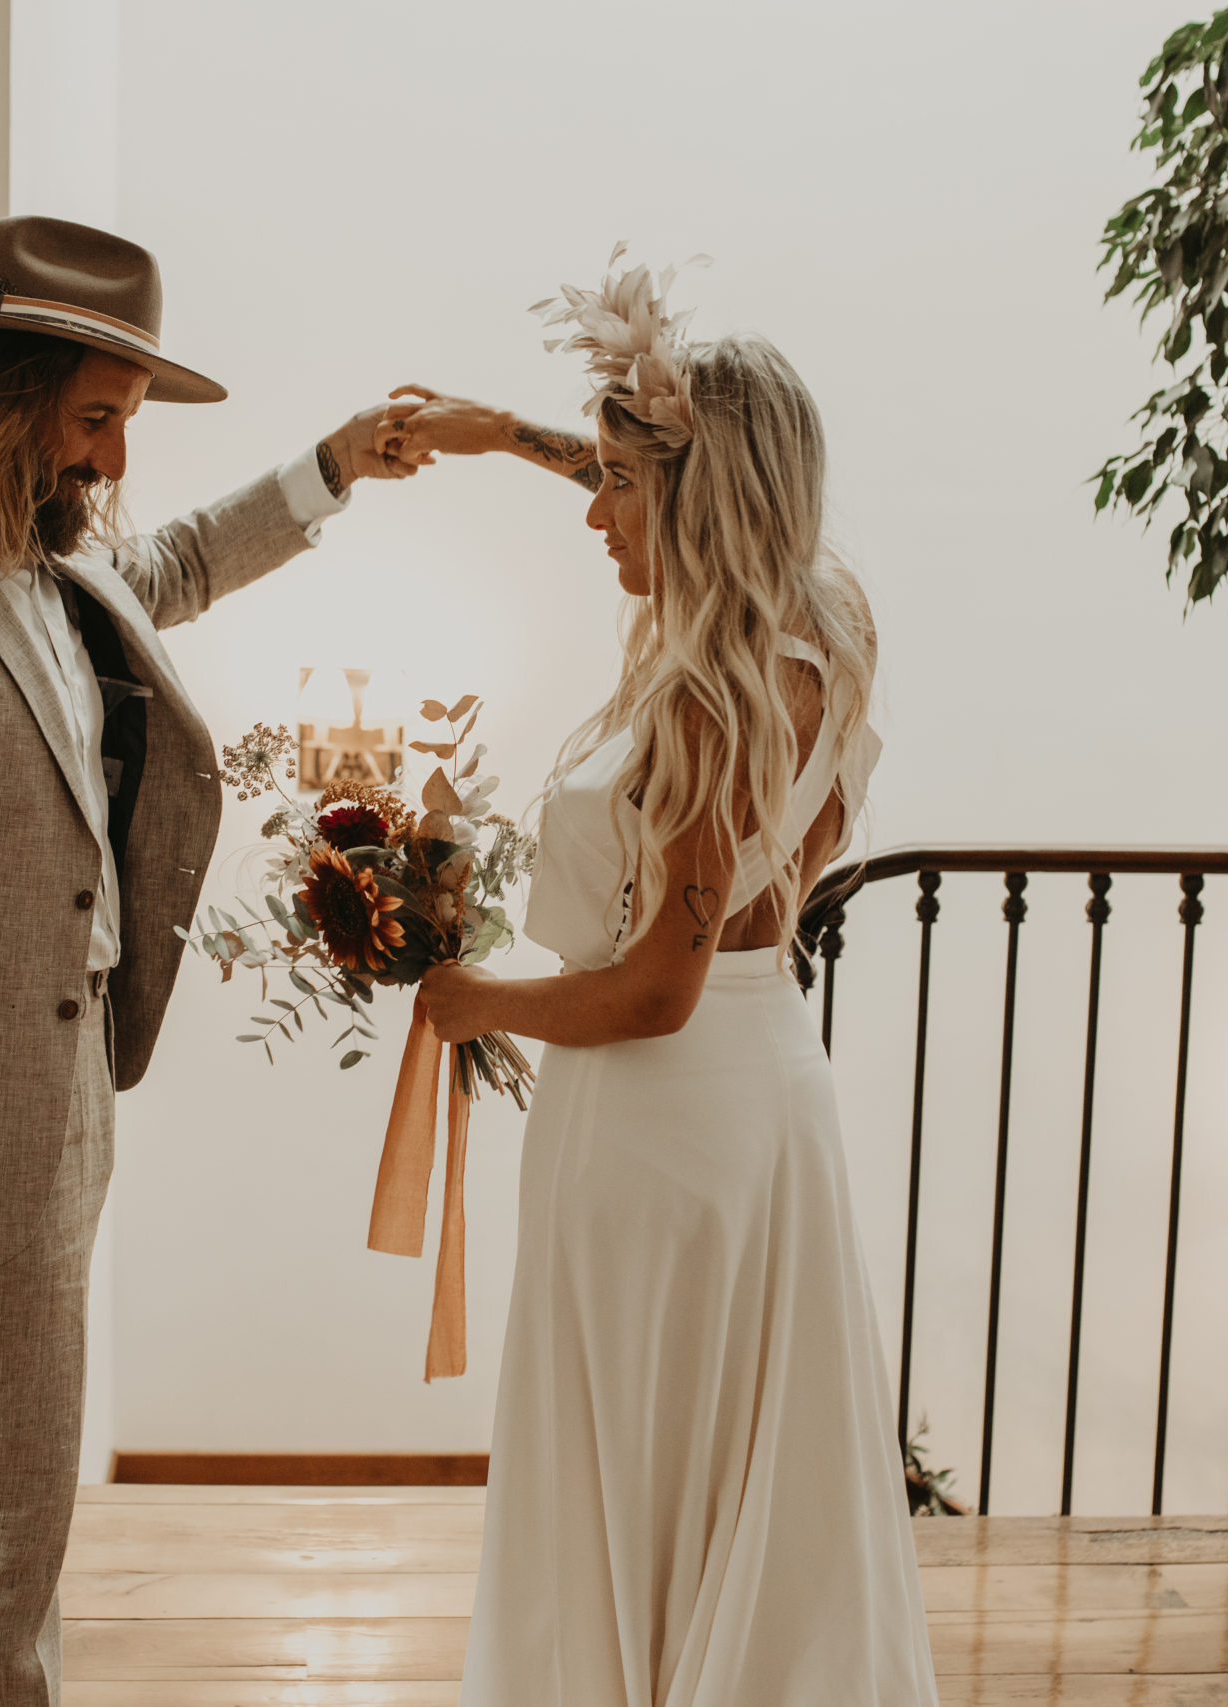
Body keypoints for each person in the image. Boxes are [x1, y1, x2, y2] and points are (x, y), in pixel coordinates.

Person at [0, 214, 422, 1707]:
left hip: (61, 1089)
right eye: (99, 422)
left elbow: (163, 567)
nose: (116, 464)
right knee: (11, 1509)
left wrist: (332, 466)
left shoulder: (28, 554)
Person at [391, 257, 936, 1704]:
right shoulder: (824, 629)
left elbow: (652, 994)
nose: (595, 507)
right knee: (736, 1451)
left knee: (636, 1443)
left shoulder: (707, 696)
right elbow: (687, 483)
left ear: (690, 499)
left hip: (659, 1123)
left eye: (619, 487)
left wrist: (474, 1000)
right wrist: (501, 430)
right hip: (768, 1111)